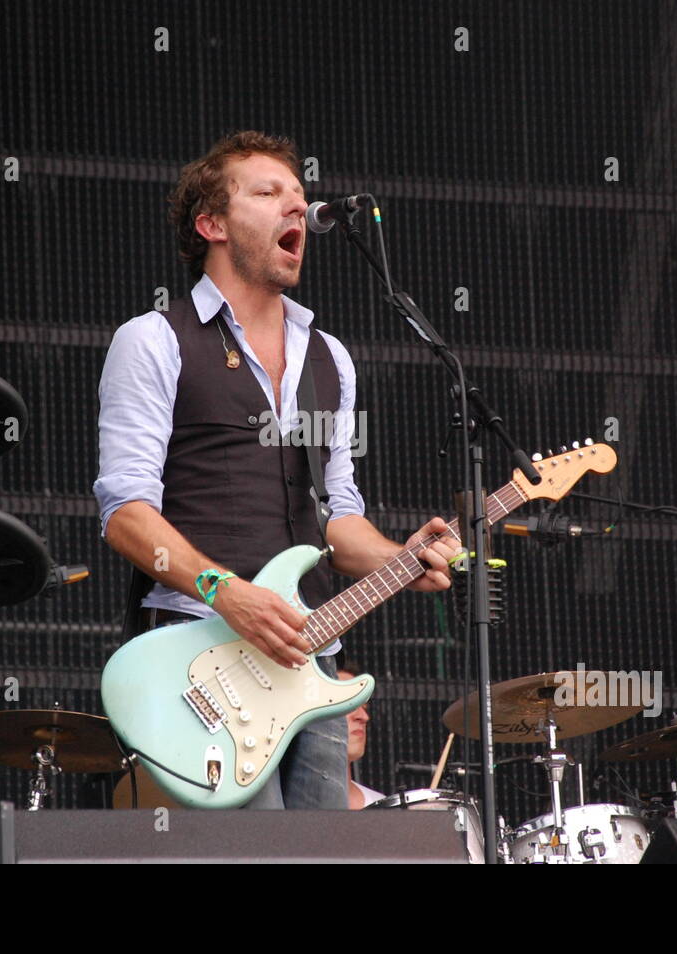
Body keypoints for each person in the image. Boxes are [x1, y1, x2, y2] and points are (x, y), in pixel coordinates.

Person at [94, 130, 459, 810]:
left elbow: (336, 515)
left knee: (319, 856)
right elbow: (125, 514)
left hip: (310, 656)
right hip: (197, 657)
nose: (297, 209)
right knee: (249, 855)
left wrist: (400, 555)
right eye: (267, 194)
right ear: (212, 225)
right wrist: (225, 590)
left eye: (300, 196)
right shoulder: (154, 340)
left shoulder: (330, 357)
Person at [339, 666, 385, 808]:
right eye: (348, 704)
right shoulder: (281, 805)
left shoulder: (383, 809)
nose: (364, 717)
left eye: (364, 707)